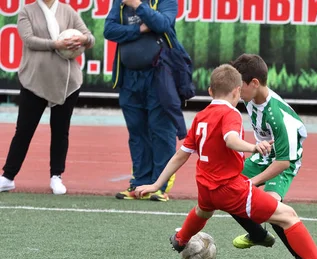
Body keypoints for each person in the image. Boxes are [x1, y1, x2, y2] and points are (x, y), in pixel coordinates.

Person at [134, 64, 317, 259]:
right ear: (237, 91)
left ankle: (180, 239)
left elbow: (181, 155)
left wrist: (156, 184)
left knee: (203, 210)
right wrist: (253, 147)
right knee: (288, 216)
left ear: (210, 91)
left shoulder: (201, 117)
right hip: (230, 189)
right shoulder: (230, 113)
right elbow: (230, 139)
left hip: (205, 187)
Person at [226, 53, 310, 259]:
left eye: (239, 86)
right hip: (264, 155)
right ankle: (257, 234)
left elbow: (283, 161)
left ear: (254, 83)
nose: (236, 91)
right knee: (226, 189)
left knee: (272, 207)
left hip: (285, 161)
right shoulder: (248, 97)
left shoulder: (277, 115)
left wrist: (252, 181)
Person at [0, 0, 95, 194]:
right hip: (34, 81)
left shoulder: (68, 11)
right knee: (24, 130)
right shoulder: (27, 11)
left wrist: (82, 40)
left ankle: (56, 176)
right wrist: (56, 44)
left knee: (61, 131)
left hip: (67, 82)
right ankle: (8, 177)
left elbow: (89, 37)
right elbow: (28, 39)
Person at [104, 0, 188, 202]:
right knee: (137, 131)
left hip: (160, 77)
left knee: (161, 130)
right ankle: (139, 183)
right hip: (130, 79)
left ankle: (160, 186)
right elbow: (109, 30)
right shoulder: (120, 3)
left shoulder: (165, 2)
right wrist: (139, 29)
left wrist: (138, 5)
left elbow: (162, 25)